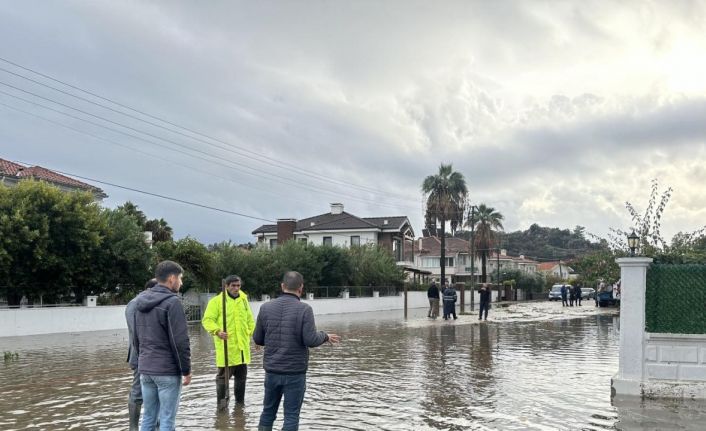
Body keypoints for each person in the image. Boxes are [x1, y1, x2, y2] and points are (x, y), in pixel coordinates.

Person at [254, 271, 341, 431]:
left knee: (267, 412)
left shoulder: (265, 307)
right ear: (301, 288)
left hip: (272, 371)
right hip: (294, 373)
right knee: (291, 416)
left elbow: (258, 339)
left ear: (282, 286)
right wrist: (325, 336)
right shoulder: (304, 309)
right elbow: (310, 340)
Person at [134, 260, 191, 431]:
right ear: (172, 278)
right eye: (180, 278)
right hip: (166, 371)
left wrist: (141, 363)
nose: (181, 283)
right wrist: (186, 370)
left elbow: (136, 338)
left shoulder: (139, 302)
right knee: (167, 419)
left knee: (149, 417)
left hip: (145, 370)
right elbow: (180, 341)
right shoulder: (172, 303)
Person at [202, 275, 255, 408]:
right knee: (222, 379)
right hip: (227, 349)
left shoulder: (243, 300)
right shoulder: (216, 301)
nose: (236, 288)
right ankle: (221, 406)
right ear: (226, 286)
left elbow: (250, 320)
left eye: (238, 286)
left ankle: (239, 406)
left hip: (242, 349)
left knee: (241, 379)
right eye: (233, 286)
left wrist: (252, 334)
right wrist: (217, 331)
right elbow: (207, 320)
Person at [126, 278, 158, 431]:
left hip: (154, 356)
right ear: (151, 289)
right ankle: (133, 427)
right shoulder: (135, 304)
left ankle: (157, 424)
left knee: (158, 391)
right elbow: (137, 334)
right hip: (142, 356)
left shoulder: (152, 302)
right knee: (138, 392)